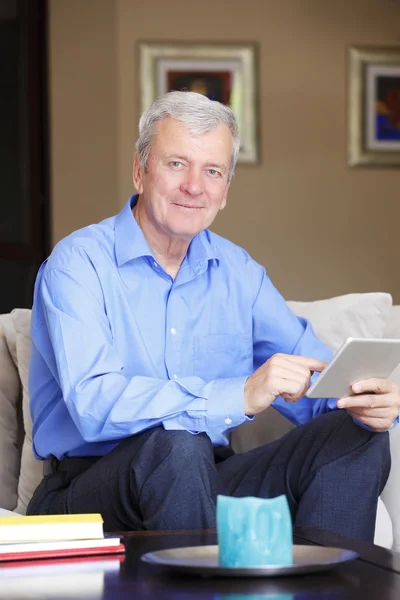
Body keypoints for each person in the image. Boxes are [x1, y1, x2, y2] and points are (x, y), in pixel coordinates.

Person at [27, 91, 399, 541]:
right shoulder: (78, 263)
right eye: (176, 164)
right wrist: (237, 394)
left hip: (200, 480)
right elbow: (92, 404)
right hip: (88, 490)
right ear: (139, 172)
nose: (194, 186)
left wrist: (366, 403)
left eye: (213, 171)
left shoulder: (238, 272)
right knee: (176, 448)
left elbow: (320, 379)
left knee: (356, 438)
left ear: (225, 192)